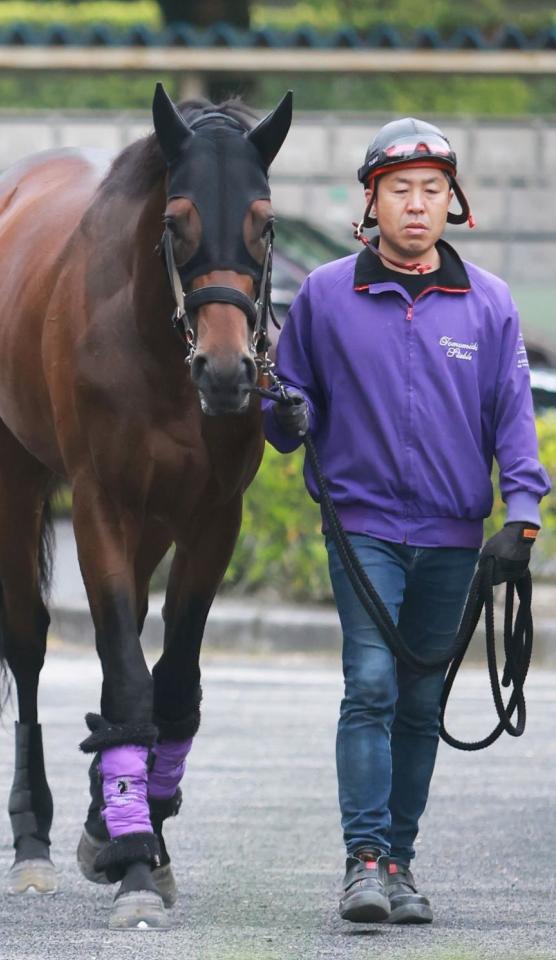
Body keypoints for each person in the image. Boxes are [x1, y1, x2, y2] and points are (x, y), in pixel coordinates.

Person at [262, 118, 550, 924]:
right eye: (400, 191)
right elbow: (286, 420)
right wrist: (282, 408)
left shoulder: (488, 304)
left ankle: (400, 862)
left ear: (450, 201)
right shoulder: (324, 296)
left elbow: (512, 422)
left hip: (456, 538)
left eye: (430, 190)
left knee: (422, 703)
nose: (416, 206)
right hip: (363, 531)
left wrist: (521, 518)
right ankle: (361, 863)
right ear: (372, 202)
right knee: (374, 685)